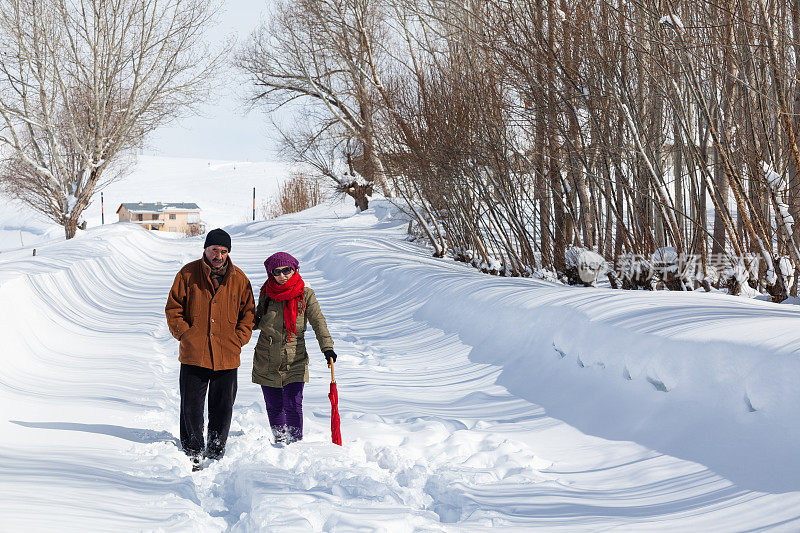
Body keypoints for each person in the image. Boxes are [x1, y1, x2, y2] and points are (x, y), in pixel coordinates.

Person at [165, 228, 255, 470]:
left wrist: (239, 338)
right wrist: (186, 335)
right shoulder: (187, 274)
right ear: (205, 249)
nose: (219, 256)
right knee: (191, 405)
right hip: (195, 353)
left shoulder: (240, 279)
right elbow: (174, 309)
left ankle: (216, 449)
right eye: (215, 250)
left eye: (224, 251)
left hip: (227, 353)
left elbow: (249, 315)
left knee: (223, 406)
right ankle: (192, 449)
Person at [252, 252, 336, 444]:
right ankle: (280, 441)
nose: (282, 275)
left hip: (295, 356)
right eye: (277, 272)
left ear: (294, 269)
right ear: (270, 274)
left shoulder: (305, 294)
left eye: (286, 270)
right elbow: (256, 320)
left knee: (293, 404)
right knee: (274, 405)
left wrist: (327, 348)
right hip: (267, 356)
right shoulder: (267, 292)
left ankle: (295, 443)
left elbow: (318, 322)